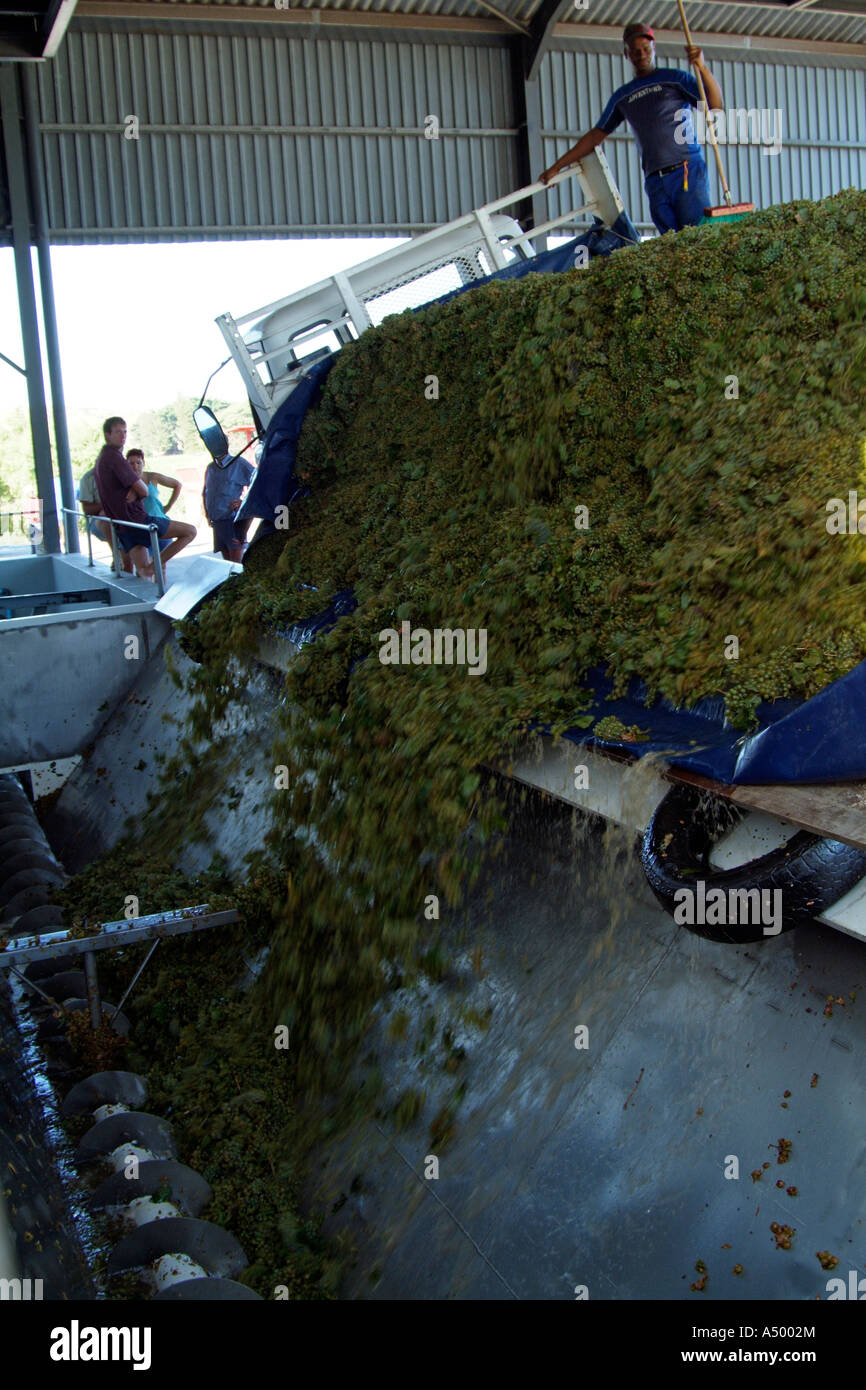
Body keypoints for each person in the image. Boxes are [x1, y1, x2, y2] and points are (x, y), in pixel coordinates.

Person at [539, 22, 724, 235]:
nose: (641, 55)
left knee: (698, 235)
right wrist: (557, 167)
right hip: (655, 180)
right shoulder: (623, 96)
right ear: (626, 54)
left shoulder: (675, 79)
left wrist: (702, 68)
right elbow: (594, 136)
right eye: (635, 51)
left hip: (686, 171)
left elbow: (715, 105)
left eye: (646, 49)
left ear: (654, 48)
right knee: (671, 242)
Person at [94, 416, 196, 579]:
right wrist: (137, 489)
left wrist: (135, 490)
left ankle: (149, 574)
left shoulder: (101, 460)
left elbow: (168, 486)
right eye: (118, 432)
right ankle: (153, 567)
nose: (123, 436)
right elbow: (144, 491)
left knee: (143, 573)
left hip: (124, 526)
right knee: (190, 532)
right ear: (108, 435)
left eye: (125, 432)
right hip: (138, 520)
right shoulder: (115, 458)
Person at [202, 449, 255, 564]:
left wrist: (244, 502)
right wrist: (207, 514)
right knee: (227, 564)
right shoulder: (211, 467)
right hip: (217, 522)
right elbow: (205, 492)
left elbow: (257, 482)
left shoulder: (239, 463)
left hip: (232, 520)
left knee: (236, 565)